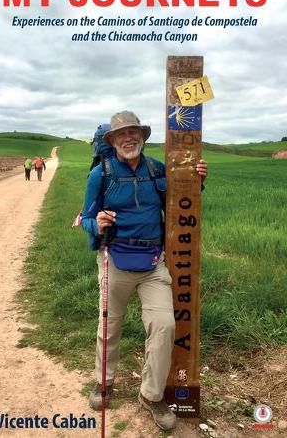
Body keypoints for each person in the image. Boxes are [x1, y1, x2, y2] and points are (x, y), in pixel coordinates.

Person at [82, 111, 207, 431]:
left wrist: (196, 181)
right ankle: (104, 382)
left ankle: (151, 395)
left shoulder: (156, 169)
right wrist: (95, 223)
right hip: (114, 260)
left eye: (134, 132)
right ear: (112, 140)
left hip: (153, 263)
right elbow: (86, 218)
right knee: (109, 325)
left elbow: (180, 199)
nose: (129, 138)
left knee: (165, 325)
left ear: (142, 136)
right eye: (121, 134)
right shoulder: (101, 174)